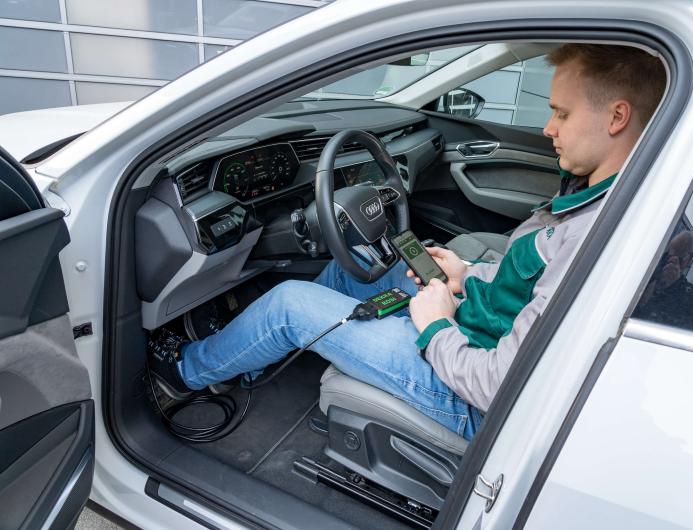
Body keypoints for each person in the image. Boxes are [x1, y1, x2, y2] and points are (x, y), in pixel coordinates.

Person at [147, 44, 666, 440]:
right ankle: (246, 354)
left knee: (288, 304)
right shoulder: (601, 199)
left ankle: (184, 372)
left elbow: (496, 385)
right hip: (476, 327)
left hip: (466, 390)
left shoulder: (593, 234)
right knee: (357, 264)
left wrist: (436, 324)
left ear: (616, 117)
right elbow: (527, 288)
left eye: (561, 113)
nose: (548, 127)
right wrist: (466, 276)